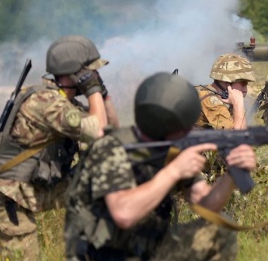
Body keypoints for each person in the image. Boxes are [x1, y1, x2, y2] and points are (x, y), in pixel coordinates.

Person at [64, 72, 257, 260]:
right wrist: (173, 171)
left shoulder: (172, 150)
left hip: (148, 243)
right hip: (102, 250)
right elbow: (123, 214)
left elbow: (207, 203)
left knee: (220, 228)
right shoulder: (113, 147)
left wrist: (231, 174)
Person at [0, 35, 118, 259]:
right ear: (74, 74)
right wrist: (92, 91)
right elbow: (98, 129)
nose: (96, 76)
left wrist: (102, 92)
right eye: (91, 73)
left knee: (103, 184)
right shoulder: (46, 103)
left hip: (30, 186)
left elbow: (111, 130)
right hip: (7, 196)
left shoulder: (61, 102)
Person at [194, 54, 256, 131]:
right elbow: (237, 139)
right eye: (243, 84)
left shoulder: (215, 94)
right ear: (228, 81)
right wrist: (238, 106)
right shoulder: (211, 101)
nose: (245, 90)